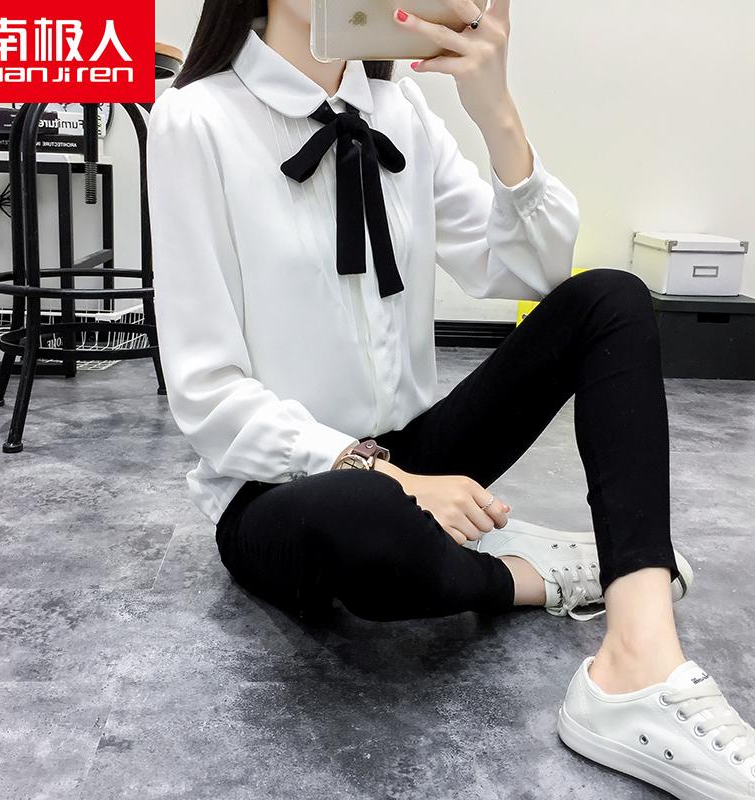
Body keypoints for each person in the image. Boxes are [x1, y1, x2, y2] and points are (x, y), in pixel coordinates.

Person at [145, 1, 755, 797]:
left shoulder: (398, 107)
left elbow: (532, 272)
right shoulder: (196, 120)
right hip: (284, 491)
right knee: (364, 516)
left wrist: (495, 110)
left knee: (611, 300)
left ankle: (637, 658)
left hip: (416, 452)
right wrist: (386, 478)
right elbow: (207, 391)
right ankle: (530, 574)